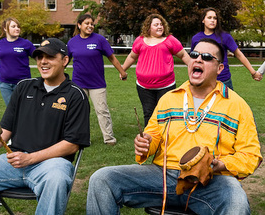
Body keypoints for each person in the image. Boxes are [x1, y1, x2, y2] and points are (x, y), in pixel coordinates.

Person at [86, 38, 262, 215]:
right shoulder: (169, 99)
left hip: (211, 181)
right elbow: (152, 135)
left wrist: (220, 165)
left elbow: (251, 155)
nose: (198, 59)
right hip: (162, 176)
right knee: (102, 179)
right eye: (194, 55)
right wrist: (146, 143)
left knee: (236, 201)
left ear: (220, 68)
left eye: (207, 57)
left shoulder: (237, 106)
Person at [0, 38, 90, 215]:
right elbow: (5, 130)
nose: (43, 61)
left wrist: (31, 158)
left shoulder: (75, 95)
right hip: (14, 160)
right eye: (39, 56)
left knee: (57, 181)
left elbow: (72, 144)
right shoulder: (23, 87)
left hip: (52, 165)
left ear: (65, 60)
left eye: (49, 56)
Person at [67, 14, 127, 146]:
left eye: (92, 24)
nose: (90, 26)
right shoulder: (72, 42)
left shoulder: (99, 40)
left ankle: (109, 138)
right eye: (87, 23)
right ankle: (83, 139)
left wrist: (122, 71)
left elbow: (112, 57)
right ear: (79, 25)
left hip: (97, 83)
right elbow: (66, 60)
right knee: (81, 112)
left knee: (102, 110)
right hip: (79, 83)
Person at [122, 13, 190, 126]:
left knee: (165, 114)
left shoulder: (170, 40)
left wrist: (193, 69)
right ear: (149, 27)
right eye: (156, 25)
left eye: (161, 24)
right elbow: (132, 56)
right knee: (148, 113)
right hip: (144, 87)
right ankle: (150, 140)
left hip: (166, 86)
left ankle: (165, 140)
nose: (160, 27)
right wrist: (123, 69)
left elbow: (183, 55)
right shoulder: (140, 40)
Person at [191, 7, 262, 90]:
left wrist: (253, 72)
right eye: (209, 18)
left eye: (215, 18)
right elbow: (193, 59)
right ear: (203, 20)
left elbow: (239, 55)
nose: (213, 20)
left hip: (224, 81)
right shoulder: (195, 38)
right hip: (203, 81)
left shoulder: (225, 37)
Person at [0, 17, 36, 106]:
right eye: (13, 26)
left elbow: (38, 58)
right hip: (5, 84)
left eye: (18, 26)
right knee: (11, 109)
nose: (17, 28)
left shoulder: (26, 44)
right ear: (5, 28)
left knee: (23, 109)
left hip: (23, 83)